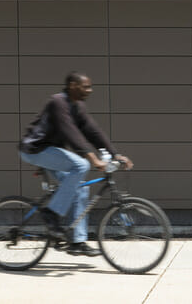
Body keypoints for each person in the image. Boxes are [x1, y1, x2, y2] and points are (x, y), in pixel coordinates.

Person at [19, 72, 133, 257]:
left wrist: (115, 154)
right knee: (81, 166)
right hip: (35, 149)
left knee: (80, 188)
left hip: (52, 152)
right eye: (86, 86)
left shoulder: (77, 106)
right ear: (73, 85)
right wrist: (93, 159)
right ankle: (51, 214)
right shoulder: (58, 102)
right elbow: (71, 133)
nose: (90, 90)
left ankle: (77, 242)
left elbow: (92, 131)